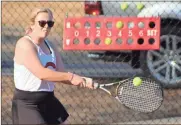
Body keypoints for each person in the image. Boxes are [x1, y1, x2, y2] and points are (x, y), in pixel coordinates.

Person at [12, 7, 94, 125]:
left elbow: (60, 73)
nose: (46, 26)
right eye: (42, 23)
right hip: (28, 104)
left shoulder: (51, 46)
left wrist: (83, 80)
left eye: (50, 23)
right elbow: (41, 73)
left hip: (48, 100)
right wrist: (71, 77)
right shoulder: (24, 44)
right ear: (32, 24)